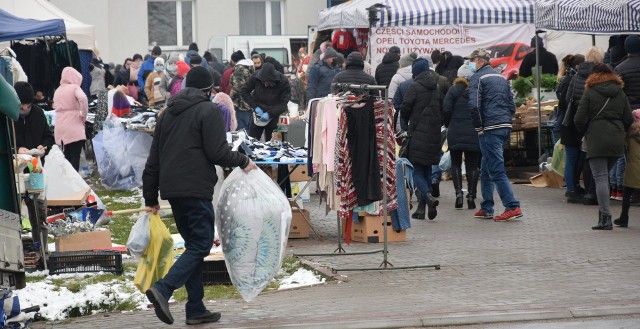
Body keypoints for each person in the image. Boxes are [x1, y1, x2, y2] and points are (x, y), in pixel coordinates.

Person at [143, 66, 258, 326]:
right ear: (208, 90)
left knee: (193, 245)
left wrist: (151, 197)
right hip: (196, 188)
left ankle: (195, 308)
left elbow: (153, 161)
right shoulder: (209, 110)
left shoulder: (166, 114)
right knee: (201, 244)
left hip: (172, 190)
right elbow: (217, 152)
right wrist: (242, 159)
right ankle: (163, 289)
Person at [574, 64, 633, 230]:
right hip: (616, 140)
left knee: (600, 177)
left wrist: (588, 130)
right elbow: (628, 118)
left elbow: (579, 119)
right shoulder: (619, 92)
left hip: (596, 139)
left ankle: (605, 217)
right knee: (604, 177)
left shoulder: (590, 92)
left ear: (594, 75)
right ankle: (603, 216)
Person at [467, 48, 523, 221]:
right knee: (486, 166)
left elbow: (474, 105)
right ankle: (487, 206)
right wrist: (505, 119)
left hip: (490, 128)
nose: (470, 63)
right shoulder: (501, 77)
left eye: (472, 60)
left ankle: (512, 206)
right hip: (504, 125)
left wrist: (479, 127)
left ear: (480, 61)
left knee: (497, 169)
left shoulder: (478, 77)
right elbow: (511, 104)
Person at [14, 82, 54, 255]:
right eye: (22, 104)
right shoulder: (9, 115)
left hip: (35, 169)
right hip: (15, 171)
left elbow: (48, 136)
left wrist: (43, 147)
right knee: (13, 213)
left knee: (39, 211)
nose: (24, 107)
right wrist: (17, 149)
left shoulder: (38, 114)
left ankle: (41, 249)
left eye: (27, 104)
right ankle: (16, 251)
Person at [399, 58, 442, 220]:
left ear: (416, 72)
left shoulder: (414, 86)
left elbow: (405, 107)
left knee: (416, 169)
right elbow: (441, 109)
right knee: (427, 169)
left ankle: (428, 196)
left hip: (417, 133)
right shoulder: (436, 87)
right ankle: (422, 209)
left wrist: (406, 123)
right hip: (434, 134)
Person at [565, 47, 604, 206]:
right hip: (595, 122)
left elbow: (568, 99)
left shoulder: (576, 76)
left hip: (576, 122)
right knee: (593, 158)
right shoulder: (600, 76)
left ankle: (580, 190)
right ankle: (592, 191)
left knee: (582, 157)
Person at [443, 64, 480, 209]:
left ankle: (459, 193)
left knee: (455, 163)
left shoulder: (453, 90)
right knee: (472, 165)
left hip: (455, 131)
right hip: (473, 132)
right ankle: (471, 195)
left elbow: (446, 109)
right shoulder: (475, 91)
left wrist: (448, 124)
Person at [556, 54, 586, 203]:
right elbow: (563, 103)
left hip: (568, 124)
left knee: (574, 158)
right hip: (569, 124)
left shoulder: (567, 78)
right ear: (577, 66)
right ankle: (571, 189)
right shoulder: (570, 80)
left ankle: (573, 186)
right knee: (572, 158)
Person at [240, 62, 291, 141]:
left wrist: (270, 113)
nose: (265, 85)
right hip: (258, 114)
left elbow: (283, 104)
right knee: (252, 141)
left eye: (267, 82)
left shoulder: (283, 81)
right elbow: (244, 91)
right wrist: (255, 106)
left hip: (274, 114)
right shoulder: (256, 77)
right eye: (263, 83)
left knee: (272, 143)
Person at [53, 67, 88, 171]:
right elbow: (83, 98)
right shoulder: (74, 87)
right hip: (74, 125)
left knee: (67, 155)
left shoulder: (58, 90)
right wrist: (83, 114)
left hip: (60, 126)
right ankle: (74, 181)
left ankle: (67, 179)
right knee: (75, 156)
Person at [613, 109, 640, 228]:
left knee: (627, 193)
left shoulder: (630, 133)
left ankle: (624, 218)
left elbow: (622, 146)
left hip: (632, 167)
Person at [230, 59, 255, 131]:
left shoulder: (238, 71)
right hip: (249, 104)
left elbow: (236, 87)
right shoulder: (250, 71)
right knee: (248, 129)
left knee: (242, 130)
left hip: (240, 105)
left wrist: (231, 98)